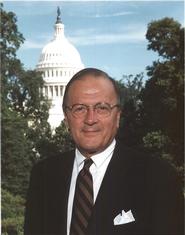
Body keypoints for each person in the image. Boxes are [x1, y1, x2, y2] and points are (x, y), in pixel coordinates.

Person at [24, 68, 184, 235]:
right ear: (66, 118)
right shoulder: (43, 175)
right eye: (79, 109)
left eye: (102, 108)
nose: (91, 119)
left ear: (117, 117)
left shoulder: (157, 176)